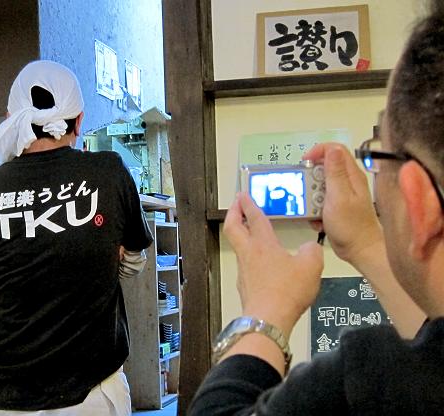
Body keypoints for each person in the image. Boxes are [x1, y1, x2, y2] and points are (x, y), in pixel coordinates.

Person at [189, 2, 444, 414]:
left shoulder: (366, 383)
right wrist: (363, 243)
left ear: (418, 200)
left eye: (379, 153)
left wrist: (268, 307)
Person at [0, 60, 152, 416]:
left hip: (10, 401)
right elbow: (134, 260)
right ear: (79, 121)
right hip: (95, 394)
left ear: (10, 117)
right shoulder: (108, 172)